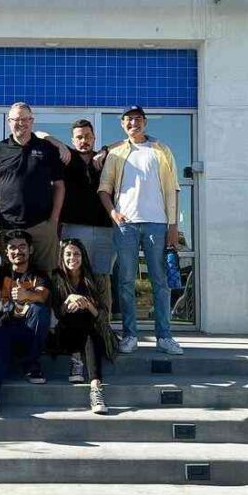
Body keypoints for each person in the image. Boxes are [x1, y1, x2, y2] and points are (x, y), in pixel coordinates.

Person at [98, 105, 184, 356]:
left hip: (157, 223)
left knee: (160, 281)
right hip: (126, 225)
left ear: (145, 122)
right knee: (125, 280)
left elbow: (173, 189)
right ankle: (130, 335)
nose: (133, 123)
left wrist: (173, 226)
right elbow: (104, 188)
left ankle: (165, 336)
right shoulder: (116, 153)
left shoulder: (161, 150)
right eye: (128, 120)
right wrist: (113, 213)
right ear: (122, 124)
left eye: (137, 119)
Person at [0, 229, 52, 415]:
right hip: (5, 331)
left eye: (22, 246)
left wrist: (27, 295)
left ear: (31, 249)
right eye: (12, 248)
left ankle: (32, 364)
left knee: (40, 310)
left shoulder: (39, 275)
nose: (18, 251)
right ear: (7, 253)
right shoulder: (2, 271)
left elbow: (42, 296)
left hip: (29, 334)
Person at [0, 102, 65, 274]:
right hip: (7, 227)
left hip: (42, 226)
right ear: (9, 122)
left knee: (48, 277)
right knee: (10, 278)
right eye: (17, 119)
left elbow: (59, 186)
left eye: (25, 119)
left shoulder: (47, 148)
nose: (21, 123)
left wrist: (54, 220)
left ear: (32, 121)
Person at [44, 119, 115, 314]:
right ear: (73, 140)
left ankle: (103, 327)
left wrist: (106, 149)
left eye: (88, 137)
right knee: (72, 274)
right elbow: (39, 134)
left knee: (102, 277)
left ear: (94, 138)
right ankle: (71, 321)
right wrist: (58, 144)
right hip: (73, 229)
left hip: (104, 229)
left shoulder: (104, 158)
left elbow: (127, 142)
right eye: (79, 137)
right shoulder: (67, 157)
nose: (84, 141)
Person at [50, 238, 117, 414]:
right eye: (68, 254)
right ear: (62, 257)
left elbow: (103, 317)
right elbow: (58, 313)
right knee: (76, 317)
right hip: (67, 335)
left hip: (94, 333)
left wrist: (87, 304)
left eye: (77, 254)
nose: (73, 258)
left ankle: (94, 387)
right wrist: (68, 301)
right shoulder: (56, 278)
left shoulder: (96, 278)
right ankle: (80, 363)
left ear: (83, 256)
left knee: (88, 326)